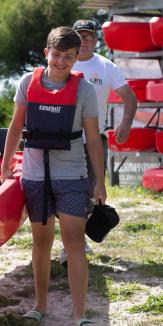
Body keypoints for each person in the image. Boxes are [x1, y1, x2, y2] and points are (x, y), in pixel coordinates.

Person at [0, 26, 106, 326]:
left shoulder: (84, 91)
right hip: (35, 176)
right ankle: (40, 306)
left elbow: (93, 139)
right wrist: (6, 164)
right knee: (41, 242)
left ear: (76, 59)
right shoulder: (26, 83)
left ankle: (80, 315)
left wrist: (99, 180)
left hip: (72, 175)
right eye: (56, 55)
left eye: (68, 58)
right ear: (46, 53)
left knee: (74, 242)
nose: (61, 62)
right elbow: (16, 125)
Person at [58, 19, 139, 264]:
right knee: (66, 193)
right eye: (79, 35)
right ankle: (69, 246)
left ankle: (77, 242)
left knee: (91, 192)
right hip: (64, 140)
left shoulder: (106, 67)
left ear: (96, 39)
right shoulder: (62, 64)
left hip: (94, 140)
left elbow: (130, 98)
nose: (84, 40)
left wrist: (125, 124)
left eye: (89, 36)